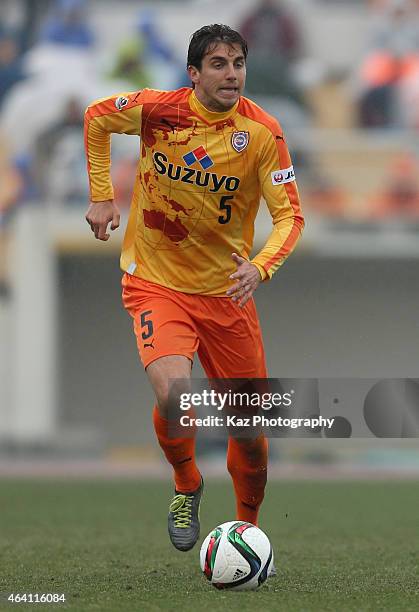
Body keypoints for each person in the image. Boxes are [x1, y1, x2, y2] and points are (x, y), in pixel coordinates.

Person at [84, 24, 304, 554]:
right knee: (174, 395)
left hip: (227, 295)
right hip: (156, 282)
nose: (232, 74)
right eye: (219, 64)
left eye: (238, 64)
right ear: (194, 73)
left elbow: (291, 216)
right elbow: (95, 118)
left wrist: (260, 268)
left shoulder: (262, 133)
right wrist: (101, 194)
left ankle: (246, 528)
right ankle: (187, 484)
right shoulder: (159, 110)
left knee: (250, 434)